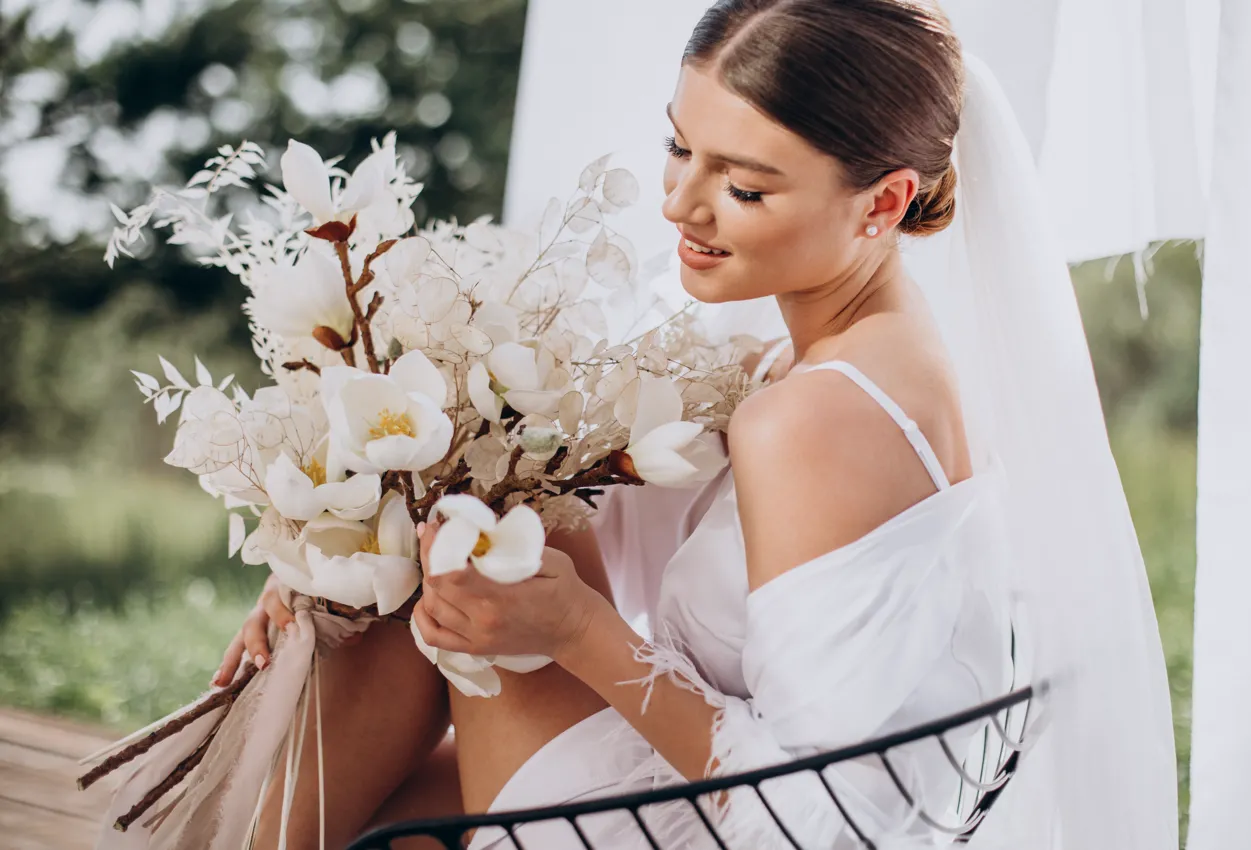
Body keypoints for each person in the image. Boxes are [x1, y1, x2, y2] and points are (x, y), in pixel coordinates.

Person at [221, 1, 1178, 848]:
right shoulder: (858, 352)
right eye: (680, 148)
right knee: (440, 543)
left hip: (712, 821)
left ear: (884, 202)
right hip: (687, 782)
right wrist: (344, 554)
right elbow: (575, 508)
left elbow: (816, 823)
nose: (680, 204)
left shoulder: (819, 419)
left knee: (413, 617)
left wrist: (579, 630)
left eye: (745, 188)